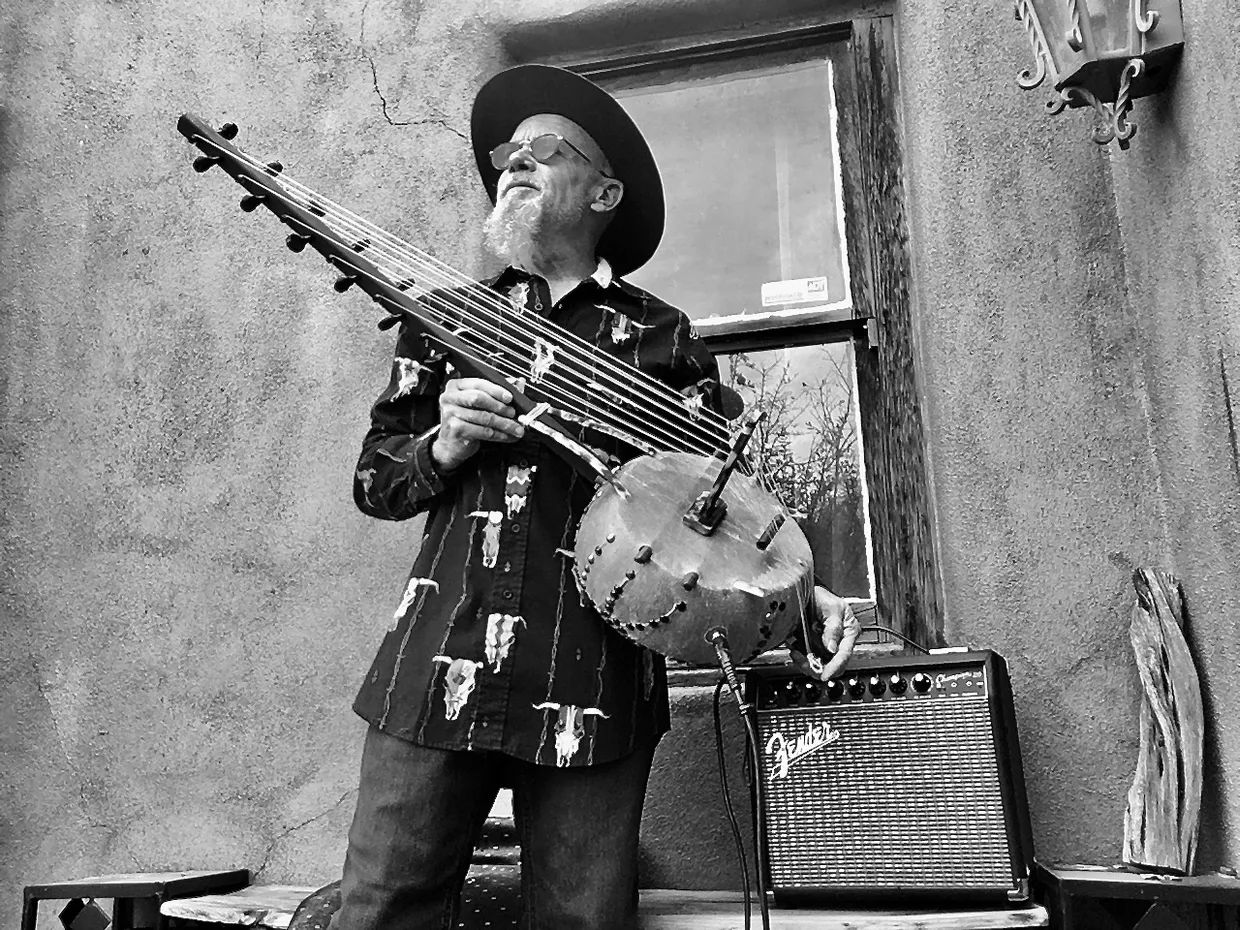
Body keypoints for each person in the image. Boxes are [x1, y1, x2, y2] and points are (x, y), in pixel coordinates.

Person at [330, 64, 861, 930]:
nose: (513, 162)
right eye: (506, 153)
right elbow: (375, 484)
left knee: (583, 922)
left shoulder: (664, 337)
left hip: (596, 674)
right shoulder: (445, 318)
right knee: (381, 909)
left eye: (542, 149)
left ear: (604, 190)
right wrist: (444, 441)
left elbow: (720, 507)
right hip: (436, 658)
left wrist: (803, 594)